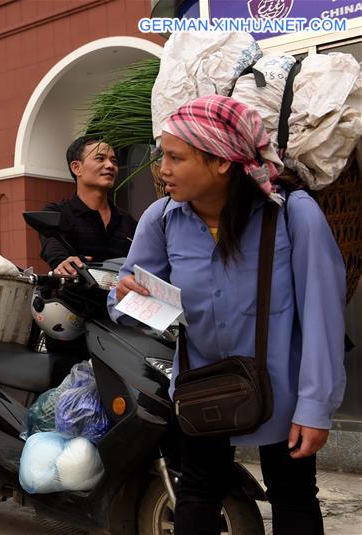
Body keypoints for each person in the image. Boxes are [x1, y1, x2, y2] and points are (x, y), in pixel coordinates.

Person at [108, 95, 346, 535]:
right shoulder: (161, 220)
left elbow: (322, 317)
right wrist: (128, 298)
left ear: (221, 162)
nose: (164, 170)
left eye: (177, 158)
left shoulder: (292, 215)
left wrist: (315, 407)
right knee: (197, 493)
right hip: (202, 391)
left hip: (283, 394)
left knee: (293, 496)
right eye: (164, 157)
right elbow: (132, 308)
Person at [39, 136, 137, 278]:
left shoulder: (128, 222)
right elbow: (52, 246)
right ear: (76, 168)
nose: (110, 165)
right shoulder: (58, 213)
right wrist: (63, 262)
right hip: (71, 298)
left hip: (122, 299)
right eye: (100, 159)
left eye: (114, 161)